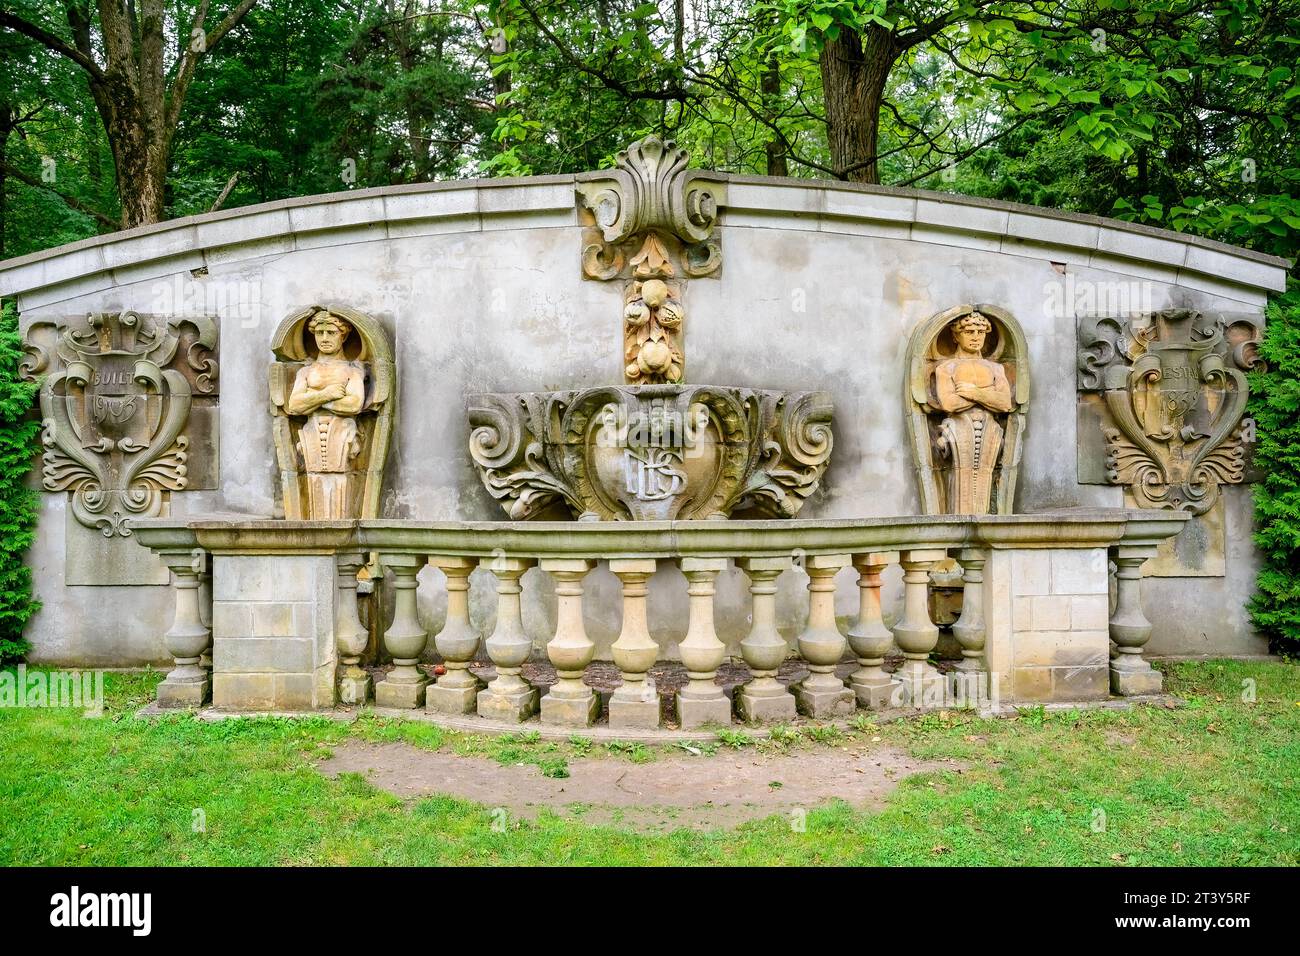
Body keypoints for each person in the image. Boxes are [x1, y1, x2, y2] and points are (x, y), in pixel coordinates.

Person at [285, 310, 366, 518]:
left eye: (330, 332)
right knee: (313, 480)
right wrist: (327, 394)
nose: (324, 338)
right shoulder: (306, 372)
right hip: (311, 435)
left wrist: (312, 398)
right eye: (319, 333)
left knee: (340, 480)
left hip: (342, 436)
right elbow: (294, 405)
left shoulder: (352, 371)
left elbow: (354, 404)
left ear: (343, 335)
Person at [932, 311, 1014, 514]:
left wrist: (973, 392)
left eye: (980, 331)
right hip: (958, 429)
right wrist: (989, 395)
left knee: (985, 478)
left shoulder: (996, 369)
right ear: (956, 335)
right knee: (962, 482)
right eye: (969, 331)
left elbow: (1004, 403)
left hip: (990, 431)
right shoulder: (946, 368)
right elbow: (949, 403)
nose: (976, 336)